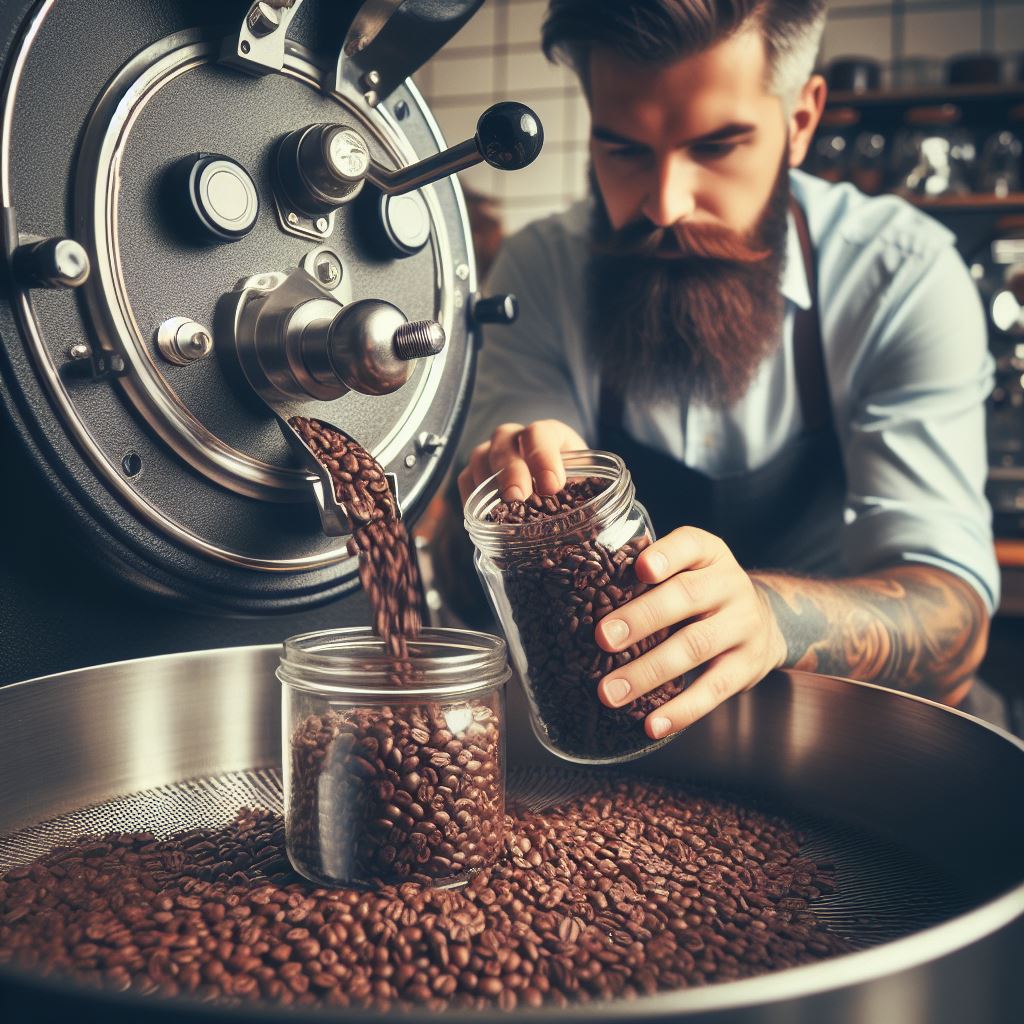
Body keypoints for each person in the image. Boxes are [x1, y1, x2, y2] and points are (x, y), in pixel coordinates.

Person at [447, 0, 1002, 737]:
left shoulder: (901, 277)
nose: (666, 205)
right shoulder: (539, 276)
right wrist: (496, 509)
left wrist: (771, 618)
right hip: (625, 738)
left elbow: (952, 622)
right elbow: (468, 587)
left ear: (800, 121)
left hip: (850, 737)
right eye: (625, 151)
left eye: (717, 147)